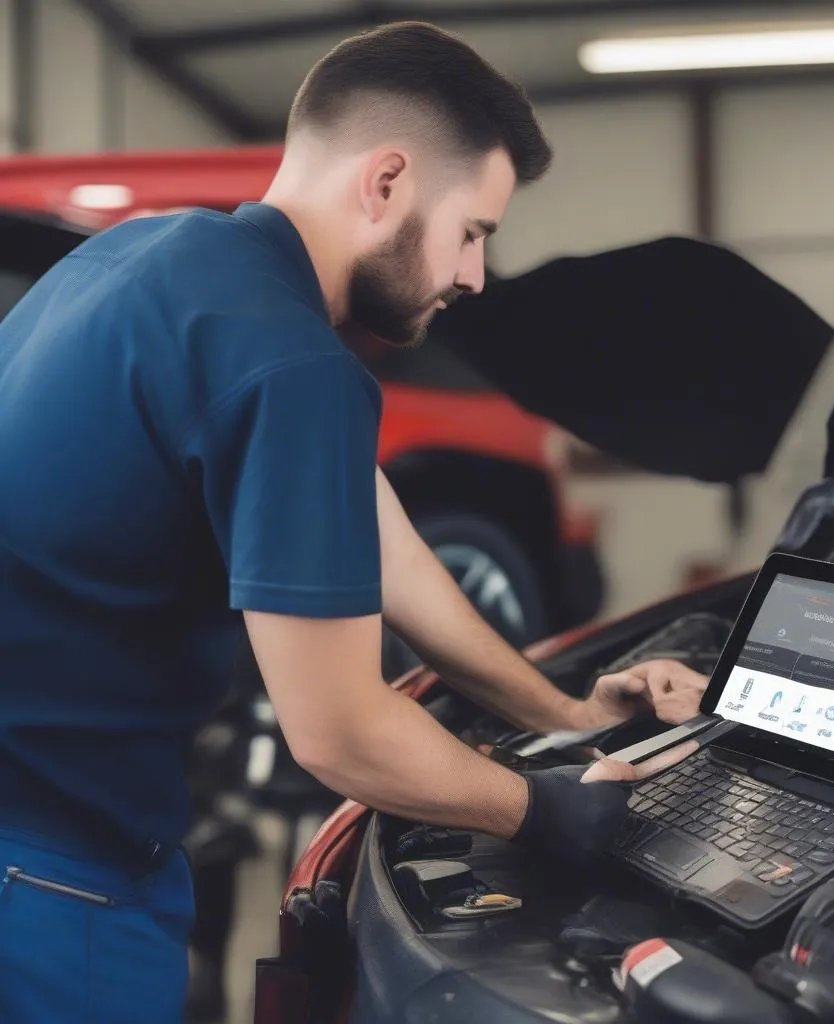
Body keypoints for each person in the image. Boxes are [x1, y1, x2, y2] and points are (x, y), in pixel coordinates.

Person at [0, 21, 707, 1022]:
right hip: (47, 880)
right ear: (386, 182)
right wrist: (551, 812)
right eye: (474, 232)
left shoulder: (155, 258)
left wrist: (561, 713)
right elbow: (339, 734)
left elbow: (390, 554)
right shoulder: (291, 365)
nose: (472, 276)